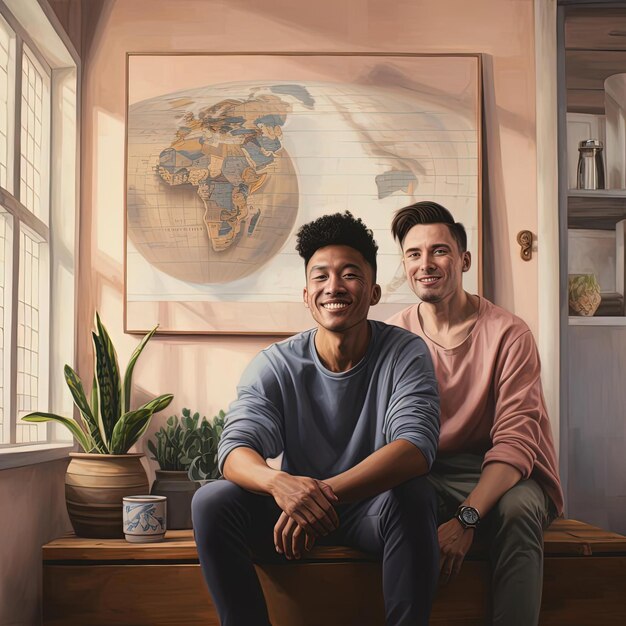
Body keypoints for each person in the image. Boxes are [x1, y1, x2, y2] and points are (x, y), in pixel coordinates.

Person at [192, 211, 441, 626]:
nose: (334, 287)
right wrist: (280, 485)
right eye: (321, 277)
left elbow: (415, 450)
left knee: (414, 495)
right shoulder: (276, 364)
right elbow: (234, 451)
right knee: (211, 501)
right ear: (306, 295)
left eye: (349, 274)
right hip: (289, 521)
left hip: (370, 513)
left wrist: (318, 496)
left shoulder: (405, 352)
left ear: (374, 291)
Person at [386, 201, 564, 626]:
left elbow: (517, 441)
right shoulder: (393, 336)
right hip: (424, 469)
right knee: (398, 503)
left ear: (464, 259)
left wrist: (468, 517)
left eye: (439, 251)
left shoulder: (509, 333)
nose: (425, 264)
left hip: (501, 471)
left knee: (520, 510)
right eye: (414, 254)